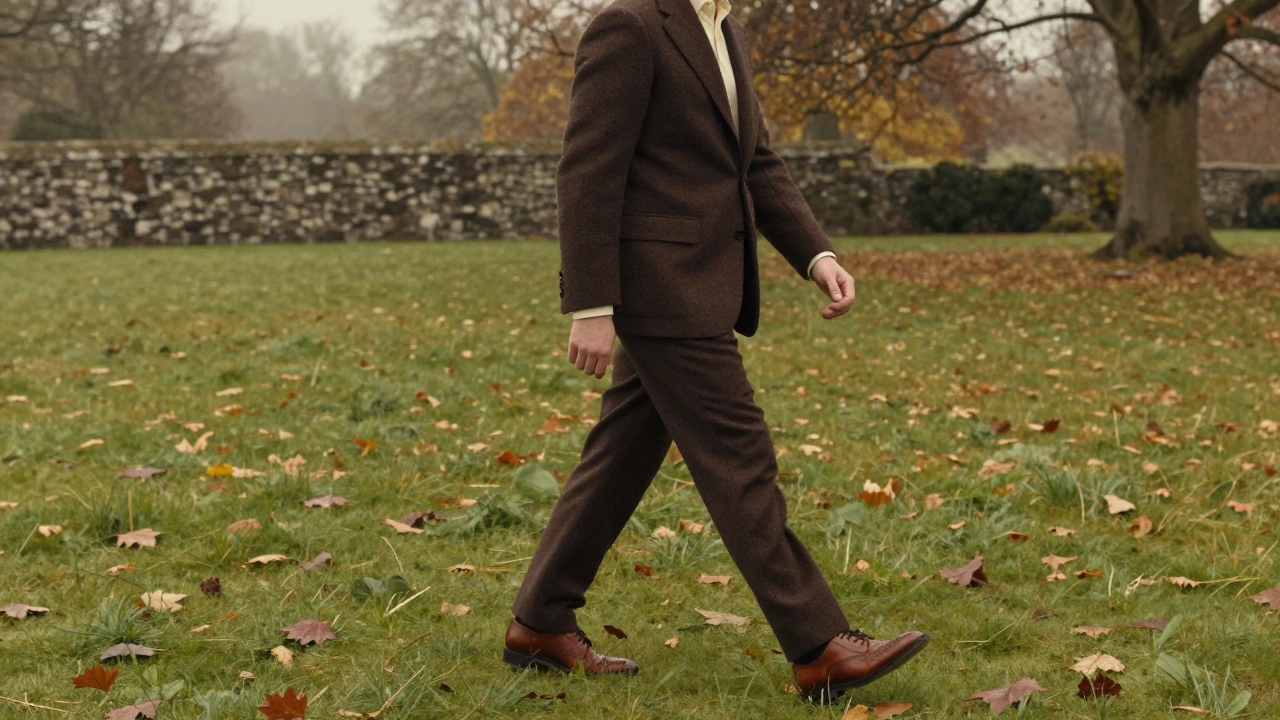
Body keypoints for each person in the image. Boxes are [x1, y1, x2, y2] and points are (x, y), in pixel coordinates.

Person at [502, 0, 928, 702]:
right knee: (740, 454)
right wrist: (592, 304)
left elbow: (753, 161)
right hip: (658, 286)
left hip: (701, 283)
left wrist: (815, 255)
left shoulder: (726, 28)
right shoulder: (630, 26)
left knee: (622, 453)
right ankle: (819, 645)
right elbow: (588, 171)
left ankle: (539, 621)